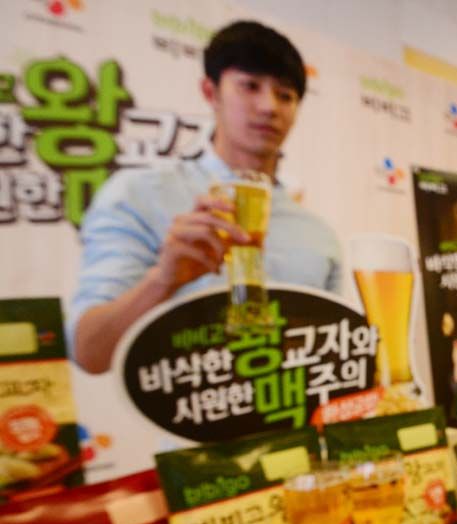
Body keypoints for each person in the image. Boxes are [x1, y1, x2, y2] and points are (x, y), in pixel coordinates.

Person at [69, 20, 342, 374]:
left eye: (285, 95)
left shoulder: (318, 235)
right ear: (210, 92)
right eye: (250, 86)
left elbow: (335, 352)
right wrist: (163, 280)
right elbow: (89, 351)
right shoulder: (140, 195)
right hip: (185, 404)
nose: (269, 106)